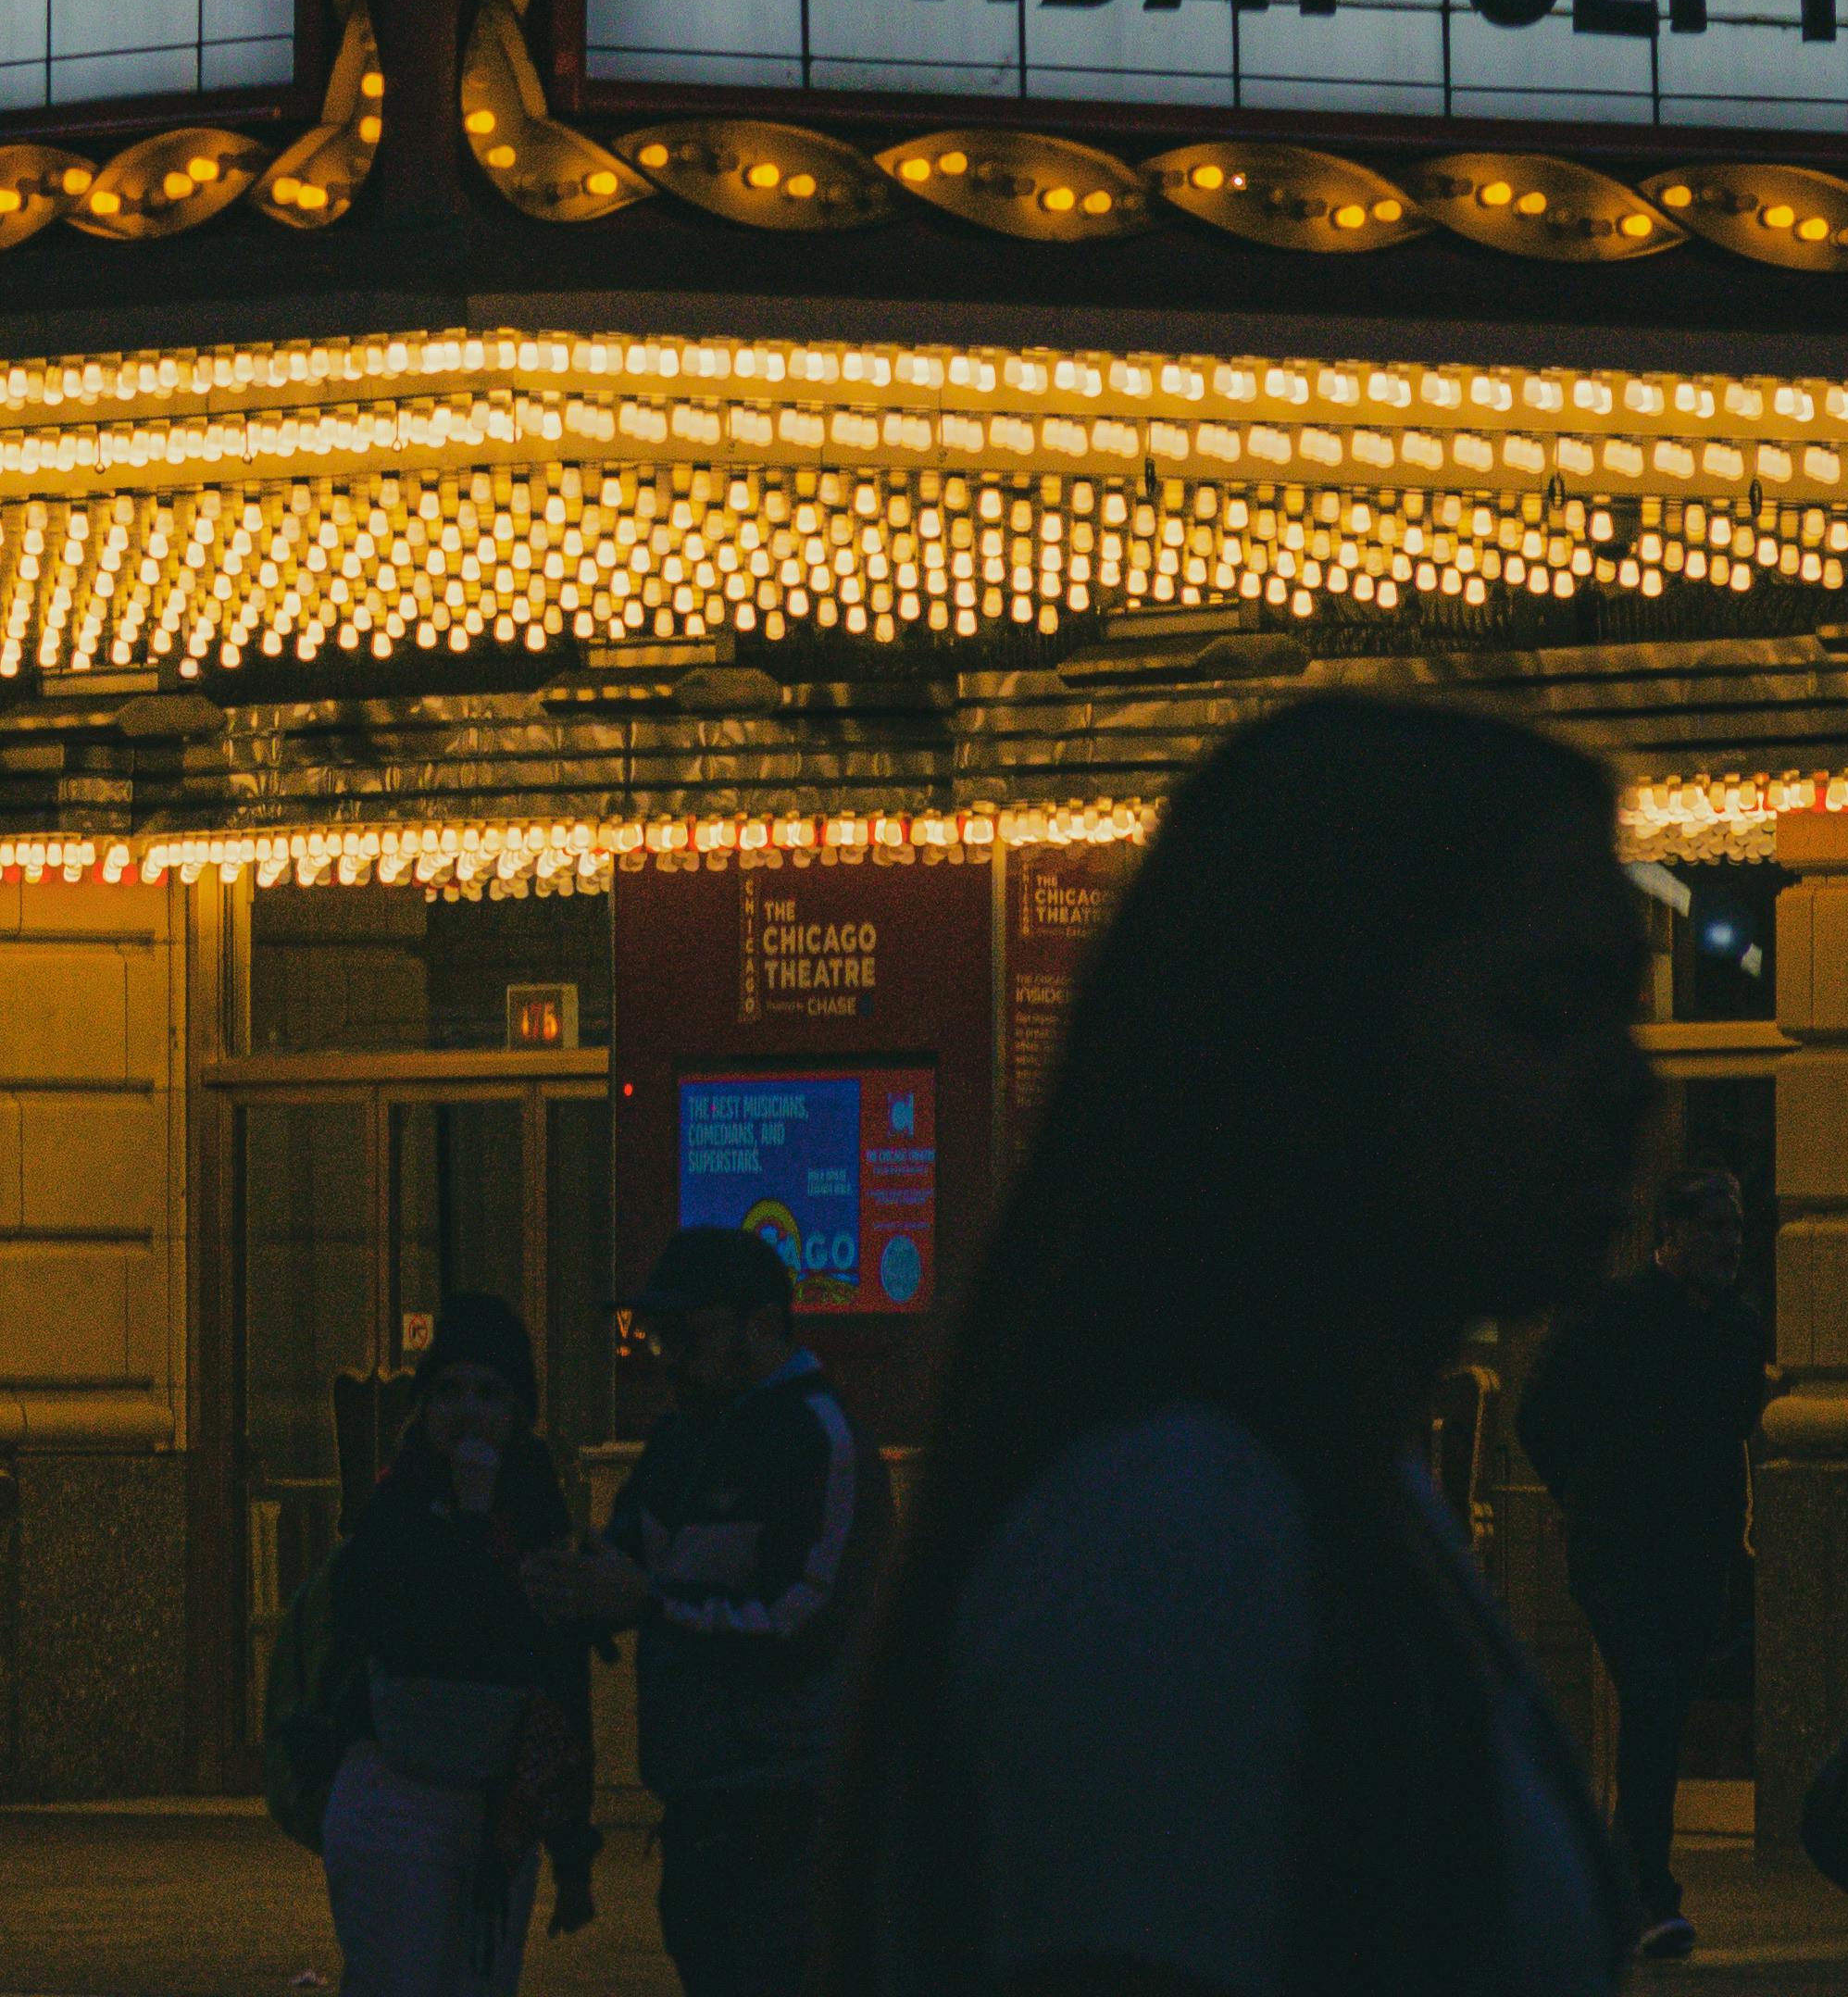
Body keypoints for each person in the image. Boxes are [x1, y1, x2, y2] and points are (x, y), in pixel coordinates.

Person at [818, 695, 1649, 1997]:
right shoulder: (1173, 1525)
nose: (1629, 1085)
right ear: (1316, 1042)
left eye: (1630, 1014)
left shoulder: (1326, 1490)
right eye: (1545, 1013)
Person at [312, 1292, 623, 1997]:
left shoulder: (538, 1507)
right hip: (398, 1792)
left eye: (490, 1392)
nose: (468, 1411)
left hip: (494, 1813)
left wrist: (572, 1848)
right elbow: (394, 1629)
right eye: (448, 1391)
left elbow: (559, 1680)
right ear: (423, 1410)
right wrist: (462, 1524)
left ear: (518, 1413)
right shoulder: (393, 1507)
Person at [1516, 1164, 1773, 1959]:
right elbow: (1538, 1411)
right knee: (1654, 1697)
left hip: (1697, 1548)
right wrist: (1581, 1494)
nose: (1730, 1245)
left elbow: (1733, 1424)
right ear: (1671, 1235)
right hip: (1618, 1540)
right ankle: (1643, 1892)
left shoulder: (1737, 1324)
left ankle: (1625, 1886)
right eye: (1713, 1230)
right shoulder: (1613, 1315)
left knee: (1663, 1712)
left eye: (1736, 1229)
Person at [607, 1226, 866, 1996]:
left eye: (687, 1336)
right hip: (702, 1821)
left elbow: (805, 1624)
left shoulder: (818, 1439)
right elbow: (625, 1554)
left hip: (789, 1828)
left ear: (762, 1325)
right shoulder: (683, 1438)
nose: (670, 1360)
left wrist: (646, 1605)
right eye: (659, 1340)